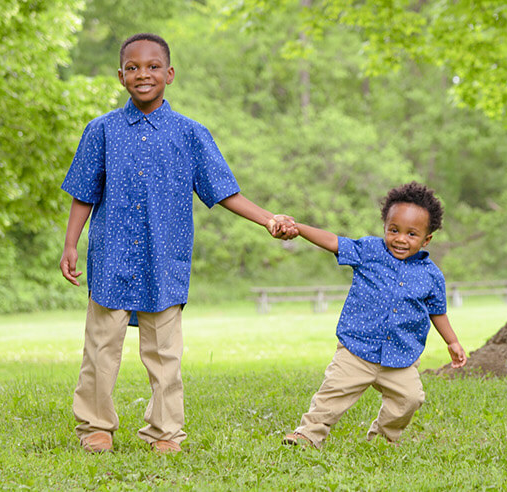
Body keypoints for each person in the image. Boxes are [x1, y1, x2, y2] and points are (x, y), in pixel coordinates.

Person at [59, 32, 298, 454]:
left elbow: (224, 192)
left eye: (152, 66)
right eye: (133, 68)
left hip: (164, 259)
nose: (143, 74)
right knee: (100, 348)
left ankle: (165, 431)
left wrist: (268, 219)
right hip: (110, 256)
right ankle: (96, 426)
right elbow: (84, 192)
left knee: (165, 354)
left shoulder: (191, 134)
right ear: (120, 77)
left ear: (169, 74)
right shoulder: (101, 131)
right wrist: (71, 244)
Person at [278, 182, 467, 448]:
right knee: (332, 393)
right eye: (394, 230)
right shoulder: (369, 251)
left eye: (412, 234)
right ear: (385, 228)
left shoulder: (431, 275)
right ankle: (308, 434)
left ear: (427, 239)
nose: (401, 239)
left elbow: (438, 312)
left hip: (400, 356)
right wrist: (299, 229)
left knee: (410, 399)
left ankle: (383, 438)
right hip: (357, 348)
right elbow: (333, 241)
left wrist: (452, 341)